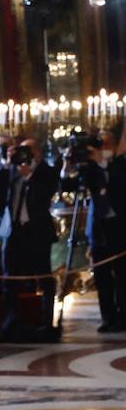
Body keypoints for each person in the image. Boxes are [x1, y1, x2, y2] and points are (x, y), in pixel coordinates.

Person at [0, 138, 59, 337]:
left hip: (37, 232)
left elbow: (47, 194)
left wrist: (29, 177)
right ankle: (12, 320)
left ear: (38, 152)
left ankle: (47, 321)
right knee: (9, 279)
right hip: (13, 232)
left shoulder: (45, 171)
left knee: (44, 278)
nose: (25, 153)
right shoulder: (9, 171)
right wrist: (7, 166)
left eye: (29, 149)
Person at [90, 123, 126, 332]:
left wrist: (104, 164)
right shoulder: (92, 166)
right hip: (98, 228)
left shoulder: (120, 164)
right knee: (101, 275)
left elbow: (119, 187)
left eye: (106, 143)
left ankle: (123, 316)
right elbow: (71, 185)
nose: (102, 146)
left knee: (122, 275)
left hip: (119, 227)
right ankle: (107, 317)